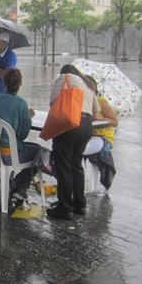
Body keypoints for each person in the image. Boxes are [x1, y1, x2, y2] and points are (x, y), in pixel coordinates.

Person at [46, 64, 100, 221]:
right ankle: (79, 204)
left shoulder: (64, 78)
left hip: (68, 125)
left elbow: (53, 104)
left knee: (63, 167)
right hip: (86, 127)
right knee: (76, 165)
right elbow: (96, 114)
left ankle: (65, 207)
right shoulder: (88, 85)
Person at [0, 68, 41, 201]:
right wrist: (29, 117)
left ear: (4, 82)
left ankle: (15, 186)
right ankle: (19, 185)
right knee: (41, 152)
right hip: (8, 155)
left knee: (33, 148)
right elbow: (22, 135)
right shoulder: (21, 104)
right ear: (20, 83)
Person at [84, 75, 118, 190]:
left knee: (103, 151)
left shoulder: (101, 102)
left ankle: (105, 178)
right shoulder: (81, 102)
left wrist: (100, 119)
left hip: (106, 139)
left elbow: (114, 122)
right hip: (89, 135)